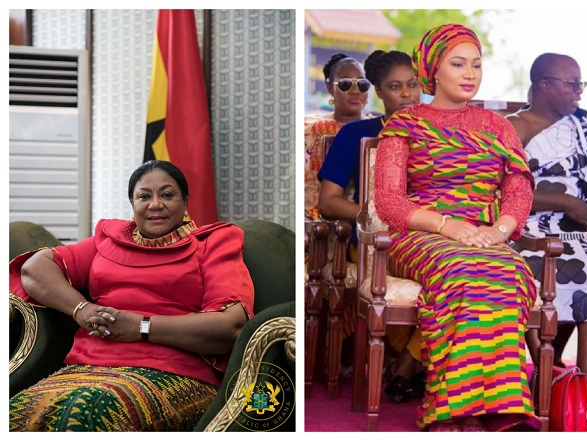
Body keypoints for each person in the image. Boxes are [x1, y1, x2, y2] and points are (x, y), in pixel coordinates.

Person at [373, 24, 538, 431]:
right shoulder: (405, 124)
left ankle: (495, 405)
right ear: (433, 69)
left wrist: (499, 231)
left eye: (476, 65)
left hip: (484, 233)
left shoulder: (498, 126)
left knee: (509, 269)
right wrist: (446, 227)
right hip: (422, 234)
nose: (470, 73)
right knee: (464, 270)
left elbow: (518, 186)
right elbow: (389, 200)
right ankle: (454, 408)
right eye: (458, 64)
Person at [9, 160, 255, 431]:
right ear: (132, 203)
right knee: (19, 412)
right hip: (86, 367)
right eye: (144, 196)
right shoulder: (110, 240)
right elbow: (35, 269)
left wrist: (141, 327)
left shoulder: (212, 243)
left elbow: (230, 325)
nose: (155, 204)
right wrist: (83, 310)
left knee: (87, 412)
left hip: (174, 372)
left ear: (185, 202)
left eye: (167, 194)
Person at [317, 49, 424, 403]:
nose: (407, 94)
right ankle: (407, 362)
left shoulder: (439, 135)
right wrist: (375, 214)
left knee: (459, 276)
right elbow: (328, 201)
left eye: (414, 85)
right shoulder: (356, 134)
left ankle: (405, 363)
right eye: (396, 86)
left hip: (432, 238)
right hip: (374, 238)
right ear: (378, 91)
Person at [506, 53, 587, 379]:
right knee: (583, 271)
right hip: (530, 228)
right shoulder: (516, 127)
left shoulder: (583, 127)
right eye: (572, 84)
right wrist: (568, 203)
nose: (578, 91)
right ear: (544, 85)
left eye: (580, 84)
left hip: (583, 227)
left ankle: (582, 388)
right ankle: (553, 377)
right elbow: (502, 192)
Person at [305, 53, 369, 220]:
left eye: (362, 84)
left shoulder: (380, 128)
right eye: (345, 84)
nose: (355, 91)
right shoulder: (310, 129)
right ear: (329, 88)